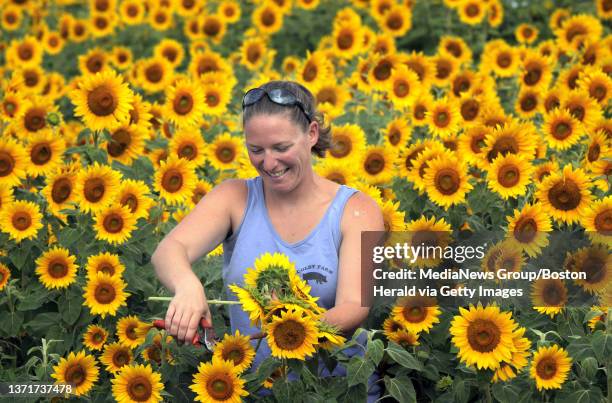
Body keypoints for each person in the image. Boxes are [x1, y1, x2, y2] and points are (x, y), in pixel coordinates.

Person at [151, 80, 384, 387]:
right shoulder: (235, 198)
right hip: (253, 388)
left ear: (312, 134)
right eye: (256, 149)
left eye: (281, 147)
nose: (269, 163)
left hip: (335, 391)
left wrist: (290, 328)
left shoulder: (356, 210)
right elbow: (169, 249)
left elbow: (355, 306)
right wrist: (187, 286)